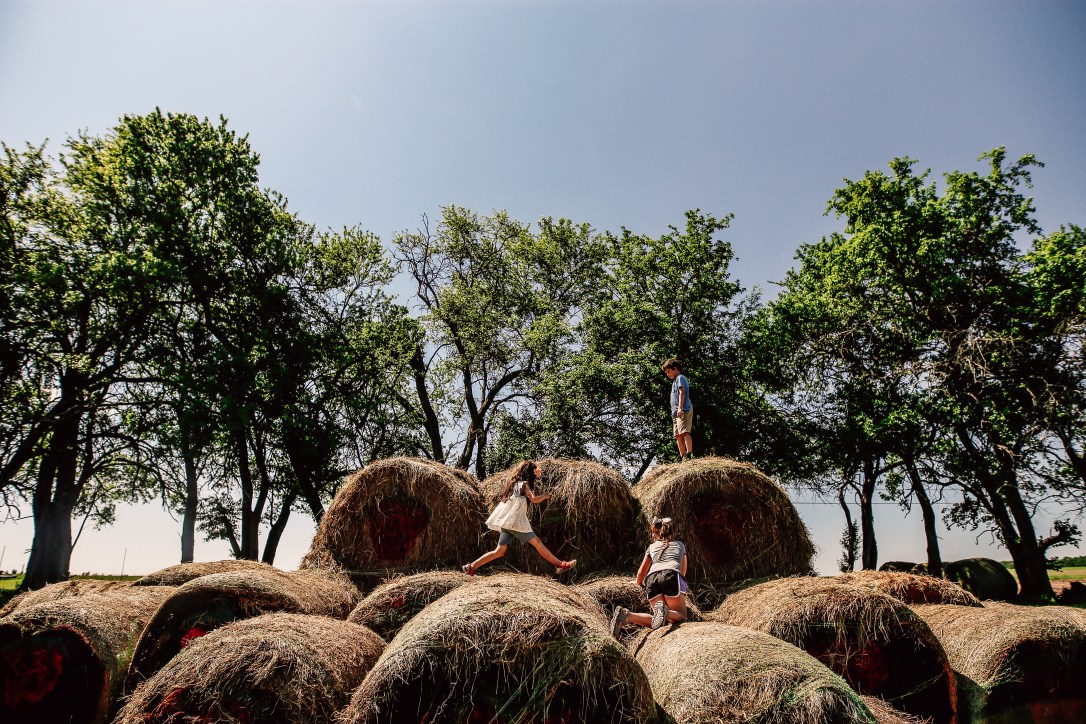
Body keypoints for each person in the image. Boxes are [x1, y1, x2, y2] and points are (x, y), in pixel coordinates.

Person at [462, 460, 577, 576]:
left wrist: (537, 477)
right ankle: (560, 564)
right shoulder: (524, 484)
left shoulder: (516, 484)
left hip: (508, 522)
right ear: (530, 473)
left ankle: (471, 567)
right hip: (516, 522)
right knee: (537, 542)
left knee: (499, 551)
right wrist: (546, 496)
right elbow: (534, 499)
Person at [610, 517, 688, 636]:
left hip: (651, 579)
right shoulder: (680, 545)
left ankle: (626, 616)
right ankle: (665, 611)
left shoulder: (651, 547)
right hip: (671, 575)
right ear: (672, 533)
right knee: (681, 616)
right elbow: (683, 571)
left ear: (654, 534)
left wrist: (637, 582)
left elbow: (641, 572)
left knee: (658, 622)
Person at [662, 358, 694, 461]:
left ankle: (689, 454)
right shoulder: (675, 381)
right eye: (666, 373)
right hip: (675, 413)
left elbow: (682, 392)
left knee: (684, 432)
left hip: (683, 410)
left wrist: (680, 408)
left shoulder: (680, 378)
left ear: (675, 368)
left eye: (668, 371)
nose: (667, 374)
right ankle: (683, 457)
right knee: (677, 435)